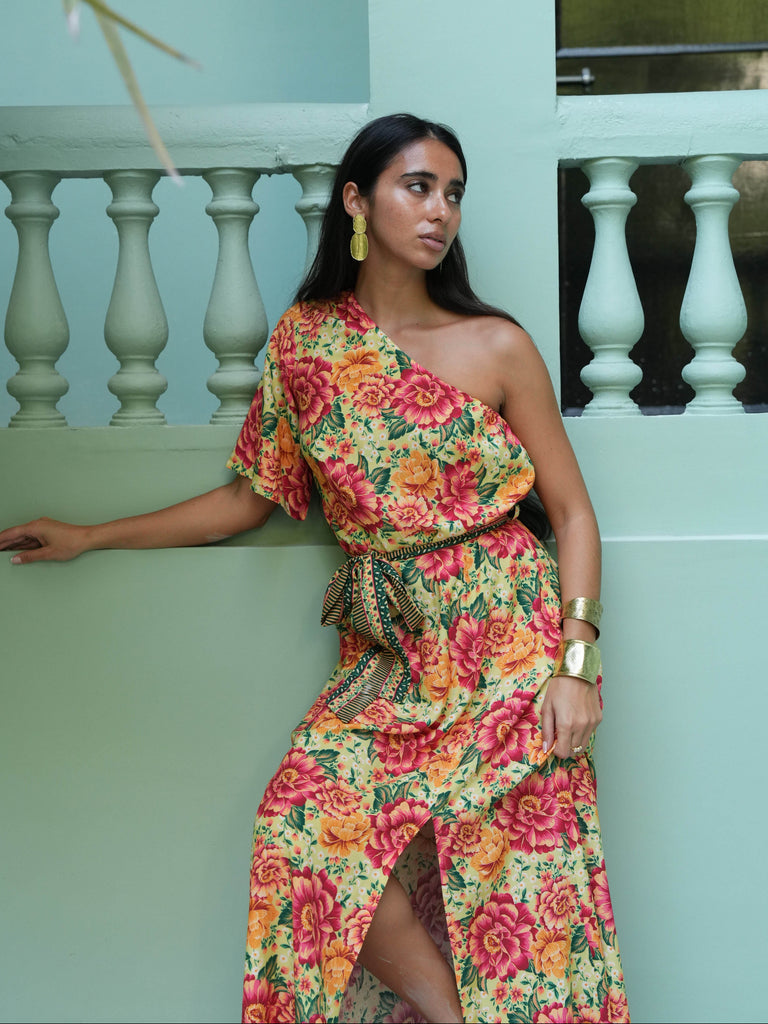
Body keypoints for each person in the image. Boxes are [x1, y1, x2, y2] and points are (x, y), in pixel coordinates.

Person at [0, 114, 629, 1023]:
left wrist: (575, 667)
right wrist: (91, 535)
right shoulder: (306, 345)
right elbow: (243, 502)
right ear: (356, 200)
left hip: (508, 642)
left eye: (453, 193)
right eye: (418, 186)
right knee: (304, 834)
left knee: (514, 886)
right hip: (389, 654)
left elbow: (572, 513)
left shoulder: (496, 345)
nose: (440, 211)